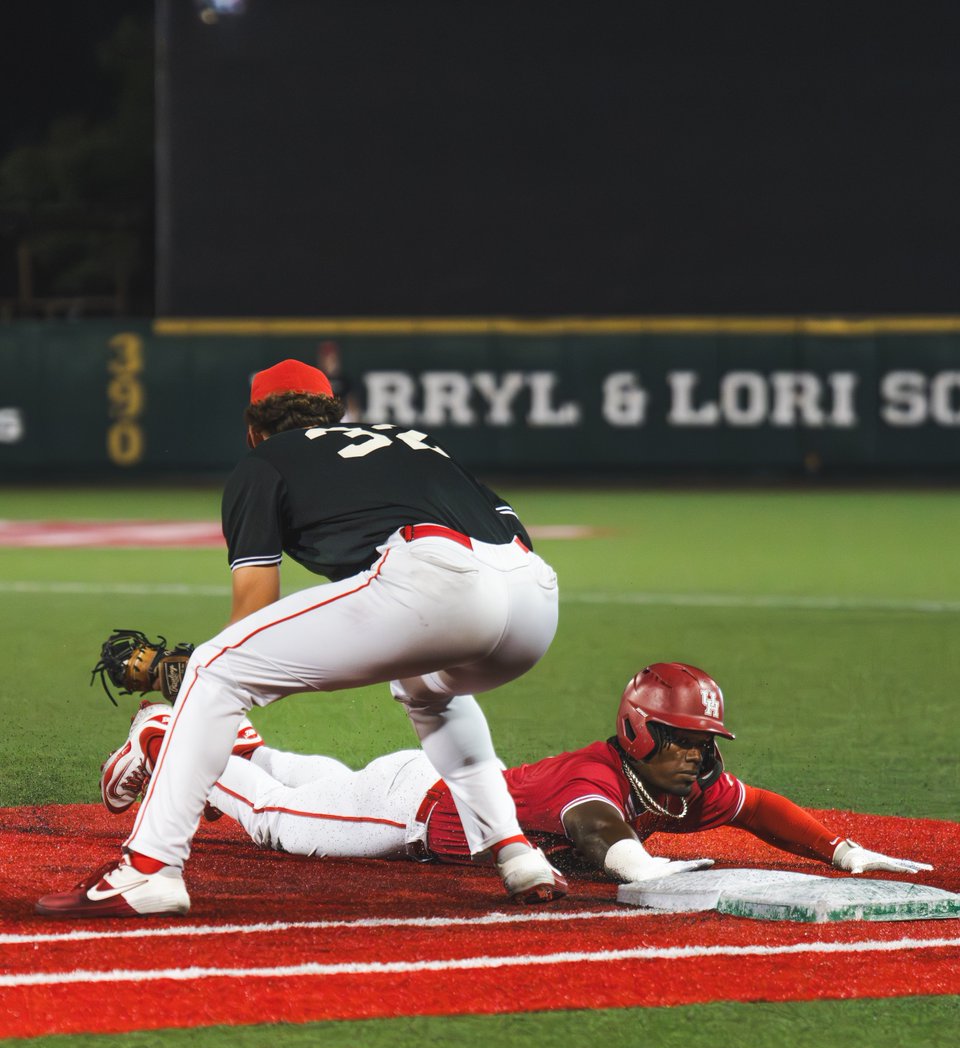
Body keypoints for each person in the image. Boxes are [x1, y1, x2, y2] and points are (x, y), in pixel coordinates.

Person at [36, 359, 570, 919]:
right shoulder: (412, 439)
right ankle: (517, 854)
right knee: (428, 691)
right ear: (334, 413)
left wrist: (200, 682)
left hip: (436, 580)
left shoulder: (265, 461)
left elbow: (253, 608)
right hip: (533, 596)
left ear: (253, 429)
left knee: (214, 671)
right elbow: (505, 526)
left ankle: (148, 871)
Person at [52, 663, 931, 912]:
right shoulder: (600, 775)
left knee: (293, 780)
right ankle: (172, 735)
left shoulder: (681, 783)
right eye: (687, 741)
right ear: (640, 731)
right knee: (277, 820)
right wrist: (643, 872)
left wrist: (843, 850)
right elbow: (593, 829)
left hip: (425, 787)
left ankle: (228, 737)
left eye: (707, 744)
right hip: (406, 816)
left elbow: (760, 806)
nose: (702, 759)